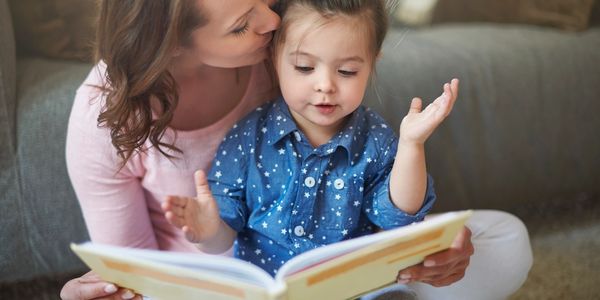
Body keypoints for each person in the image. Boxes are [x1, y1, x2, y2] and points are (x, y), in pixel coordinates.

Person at [61, 0, 532, 299]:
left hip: (351, 268)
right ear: (171, 38)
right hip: (223, 280)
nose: (272, 20)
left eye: (265, 2)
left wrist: (433, 249)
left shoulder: (287, 45)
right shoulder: (105, 118)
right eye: (244, 24)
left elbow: (390, 212)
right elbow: (133, 273)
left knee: (503, 238)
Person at [162, 0, 454, 275]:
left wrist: (411, 145)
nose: (325, 85)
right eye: (305, 68)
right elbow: (222, 239)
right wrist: (208, 231)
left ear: (372, 63)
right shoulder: (247, 138)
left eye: (347, 71)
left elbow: (397, 217)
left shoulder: (375, 140)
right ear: (274, 57)